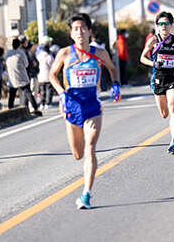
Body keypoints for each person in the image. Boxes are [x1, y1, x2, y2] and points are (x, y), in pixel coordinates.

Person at [49, 13, 121, 210]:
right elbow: (52, 75)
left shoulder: (99, 53)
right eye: (75, 29)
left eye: (83, 28)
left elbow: (113, 69)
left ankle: (86, 194)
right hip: (71, 107)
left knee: (90, 149)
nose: (79, 32)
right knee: (78, 154)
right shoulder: (64, 54)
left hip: (92, 106)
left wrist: (115, 84)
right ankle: (86, 189)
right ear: (71, 34)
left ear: (89, 32)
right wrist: (62, 94)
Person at [140, 11, 174, 155]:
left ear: (171, 25)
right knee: (164, 114)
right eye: (160, 24)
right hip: (157, 80)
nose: (163, 26)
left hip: (172, 79)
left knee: (173, 109)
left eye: (166, 23)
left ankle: (173, 142)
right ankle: (167, 117)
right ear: (157, 26)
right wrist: (153, 63)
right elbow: (142, 58)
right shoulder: (153, 41)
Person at [5, 38, 42, 116]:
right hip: (22, 76)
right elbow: (26, 64)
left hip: (12, 77)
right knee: (28, 93)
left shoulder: (8, 53)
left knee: (12, 95)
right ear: (20, 45)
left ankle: (10, 109)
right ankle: (35, 108)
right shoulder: (21, 53)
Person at [38, 43, 59, 109]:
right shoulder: (48, 56)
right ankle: (48, 103)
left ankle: (42, 103)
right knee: (49, 90)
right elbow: (53, 65)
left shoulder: (39, 56)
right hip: (47, 75)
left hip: (41, 76)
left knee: (42, 90)